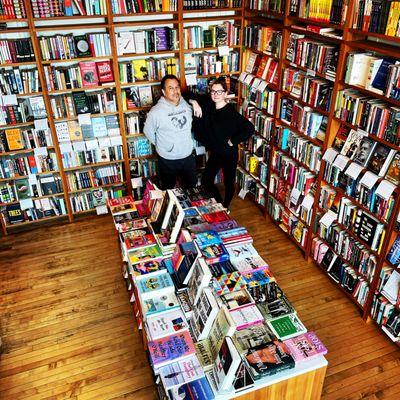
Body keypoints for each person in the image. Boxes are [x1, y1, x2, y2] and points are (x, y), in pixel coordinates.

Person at [189, 77, 255, 209]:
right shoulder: (208, 103)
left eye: (219, 92)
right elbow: (187, 94)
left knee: (228, 182)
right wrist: (194, 103)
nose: (215, 95)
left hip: (228, 153)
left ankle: (226, 206)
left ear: (225, 93)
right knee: (207, 180)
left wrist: (233, 141)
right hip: (216, 152)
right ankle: (219, 204)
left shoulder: (231, 113)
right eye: (213, 91)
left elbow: (249, 128)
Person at [143, 74, 197, 190]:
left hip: (187, 156)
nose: (175, 91)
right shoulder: (156, 112)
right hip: (167, 159)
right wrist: (164, 146)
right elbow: (148, 131)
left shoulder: (186, 104)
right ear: (163, 91)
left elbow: (199, 98)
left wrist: (194, 102)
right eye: (170, 88)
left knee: (192, 187)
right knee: (168, 190)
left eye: (177, 87)